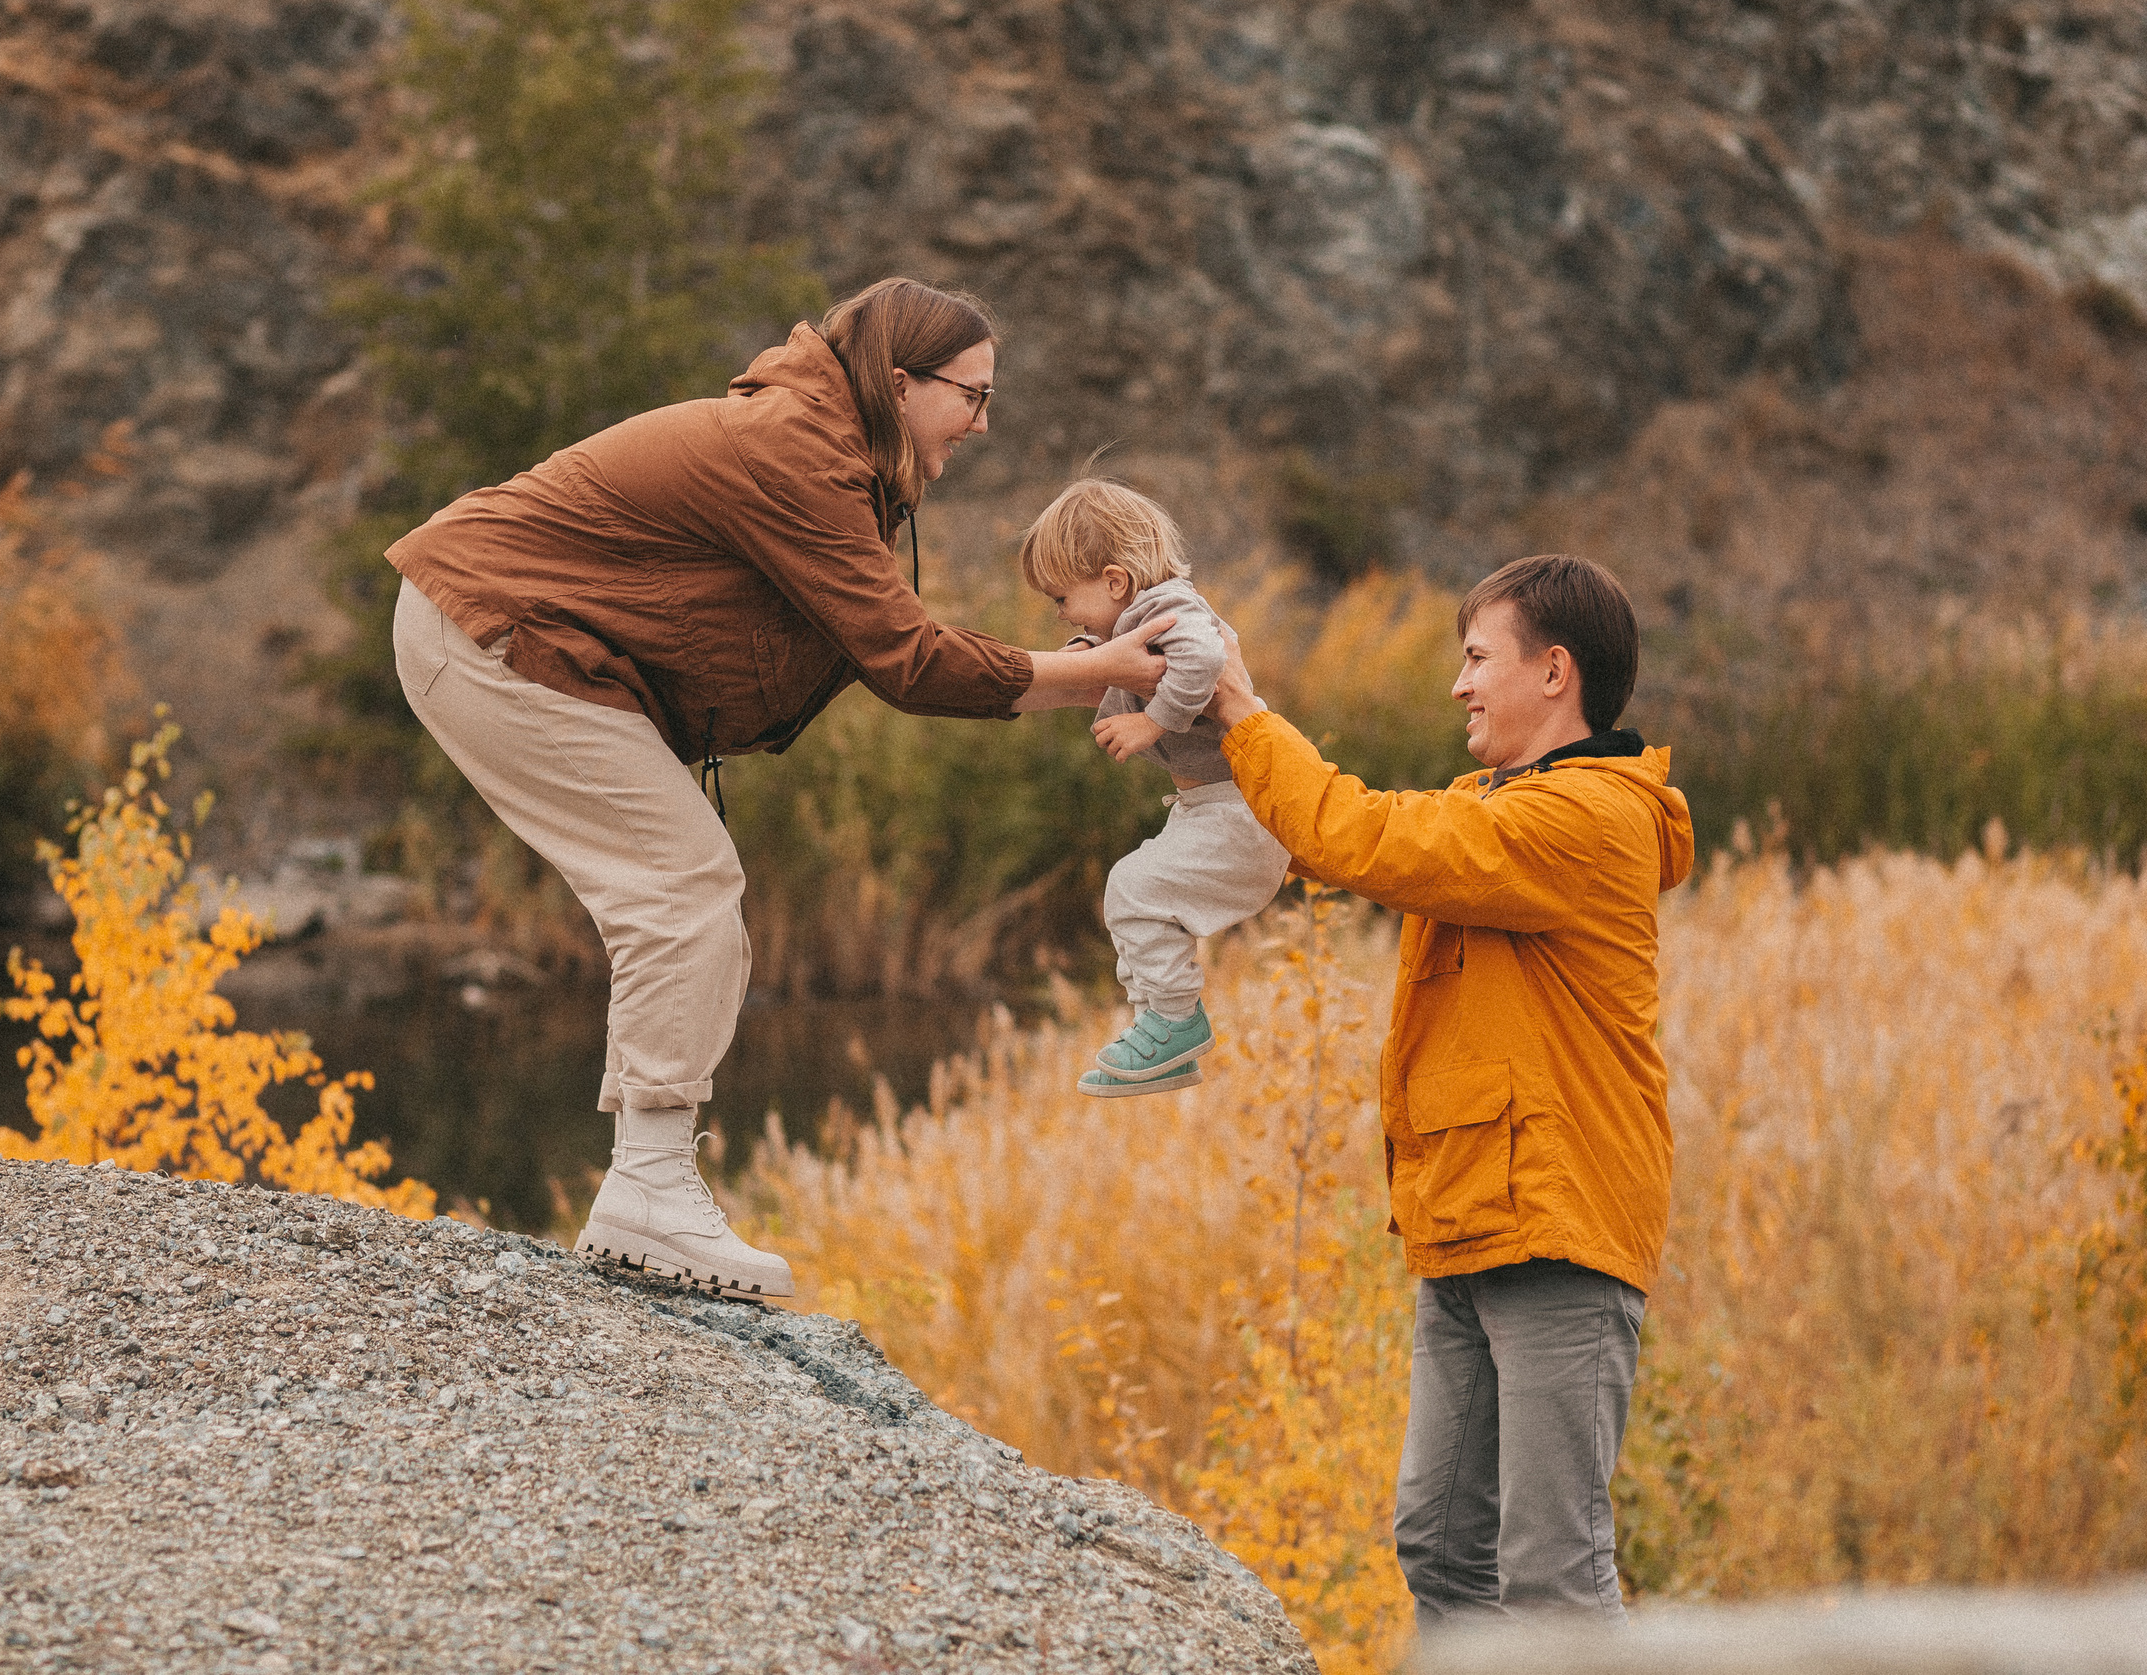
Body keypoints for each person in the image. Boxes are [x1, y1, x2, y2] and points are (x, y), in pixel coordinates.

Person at [384, 278, 1174, 1301]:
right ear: (900, 383)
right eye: (973, 396)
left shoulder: (826, 453)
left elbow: (875, 644)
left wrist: (1086, 672)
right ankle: (647, 1193)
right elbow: (907, 660)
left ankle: (647, 1183)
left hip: (493, 626)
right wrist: (1097, 671)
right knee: (681, 886)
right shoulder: (795, 453)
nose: (983, 423)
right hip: (490, 626)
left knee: (678, 889)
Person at [1205, 554, 1693, 1623]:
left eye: (1477, 658)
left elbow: (1370, 837)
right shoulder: (1498, 808)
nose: (1459, 684)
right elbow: (1341, 839)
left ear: (1554, 671)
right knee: (1439, 1545)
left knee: (1553, 1572)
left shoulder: (1583, 819)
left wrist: (1246, 712)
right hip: (1471, 1213)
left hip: (1558, 1223)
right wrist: (1206, 738)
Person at [1015, 478, 1292, 1096]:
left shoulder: (1171, 610)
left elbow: (1203, 660)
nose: (1059, 611)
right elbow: (1129, 655)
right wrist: (1090, 650)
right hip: (1208, 806)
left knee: (1132, 887)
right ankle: (1159, 1031)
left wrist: (1152, 722)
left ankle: (1175, 1020)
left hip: (1238, 810)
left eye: (1062, 597)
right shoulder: (1142, 618)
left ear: (1115, 581)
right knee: (1133, 899)